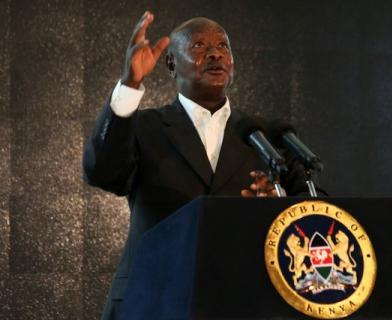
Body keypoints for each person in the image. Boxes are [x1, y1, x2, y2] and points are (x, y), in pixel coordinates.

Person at [83, 11, 320, 320]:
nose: (214, 53)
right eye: (198, 46)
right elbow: (101, 172)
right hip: (156, 301)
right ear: (171, 64)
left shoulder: (268, 137)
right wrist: (130, 84)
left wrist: (280, 207)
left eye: (223, 46)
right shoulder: (144, 127)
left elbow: (316, 211)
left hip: (245, 303)